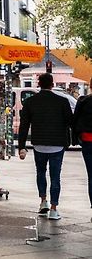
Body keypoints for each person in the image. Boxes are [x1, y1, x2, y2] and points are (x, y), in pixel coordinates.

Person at [18, 72, 73, 220]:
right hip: (57, 145)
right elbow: (70, 122)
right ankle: (54, 209)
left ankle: (43, 201)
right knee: (55, 177)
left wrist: (21, 146)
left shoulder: (30, 102)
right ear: (52, 85)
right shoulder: (62, 101)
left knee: (40, 173)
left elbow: (24, 126)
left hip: (39, 145)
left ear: (39, 84)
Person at [72, 80, 92, 218]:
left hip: (88, 140)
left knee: (91, 176)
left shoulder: (83, 101)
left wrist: (75, 139)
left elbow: (75, 121)